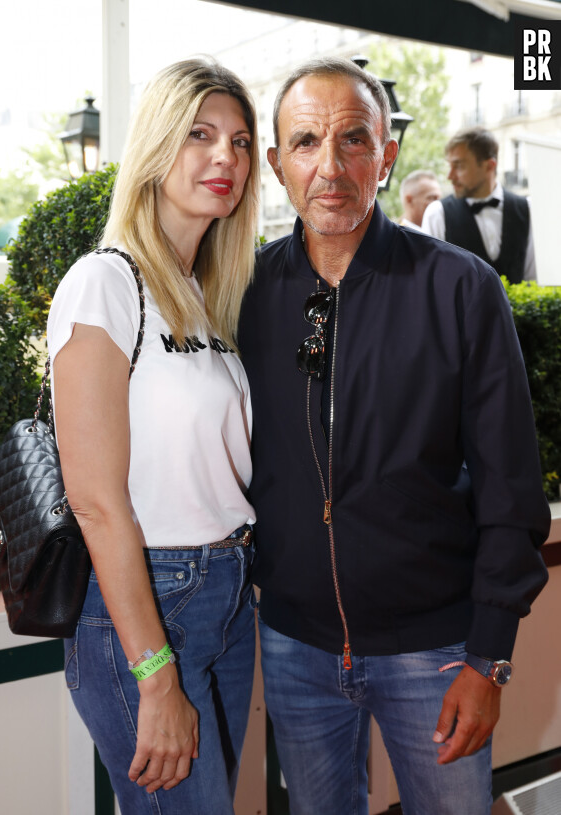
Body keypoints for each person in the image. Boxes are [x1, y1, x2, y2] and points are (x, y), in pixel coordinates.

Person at [238, 57, 550, 815]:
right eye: (306, 142)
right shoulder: (246, 295)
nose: (331, 166)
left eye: (354, 140)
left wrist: (489, 655)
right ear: (278, 165)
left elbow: (512, 485)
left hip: (437, 653)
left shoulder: (460, 289)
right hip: (294, 646)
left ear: (387, 154)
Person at [47, 58, 260, 815]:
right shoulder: (105, 283)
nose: (225, 157)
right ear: (156, 144)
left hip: (229, 595)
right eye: (200, 134)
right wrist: (156, 672)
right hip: (147, 603)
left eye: (240, 141)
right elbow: (97, 500)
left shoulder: (211, 294)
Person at [421, 126, 536, 282]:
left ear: (489, 165)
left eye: (459, 166)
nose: (450, 176)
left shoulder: (527, 209)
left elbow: (533, 280)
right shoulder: (437, 213)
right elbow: (431, 282)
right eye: (450, 166)